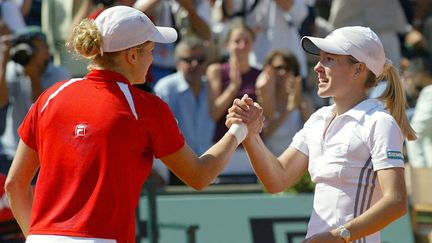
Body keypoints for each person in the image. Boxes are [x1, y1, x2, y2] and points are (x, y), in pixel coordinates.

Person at [4, 6, 262, 243]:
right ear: (131, 56)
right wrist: (239, 129)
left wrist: (36, 237)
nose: (152, 61)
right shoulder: (146, 108)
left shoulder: (51, 97)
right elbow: (200, 176)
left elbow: (15, 185)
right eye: (149, 51)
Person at [226, 26, 416, 242]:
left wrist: (338, 236)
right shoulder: (318, 119)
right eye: (320, 59)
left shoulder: (380, 122)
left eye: (329, 59)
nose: (317, 67)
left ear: (358, 70)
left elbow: (397, 202)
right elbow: (276, 180)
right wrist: (251, 135)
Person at [0, 26, 71, 175]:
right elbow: (1, 101)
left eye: (33, 46)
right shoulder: (12, 69)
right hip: (10, 151)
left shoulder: (60, 76)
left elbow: (43, 111)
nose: (28, 51)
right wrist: (4, 61)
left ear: (46, 50)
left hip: (42, 154)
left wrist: (33, 76)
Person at [206, 19, 261, 181]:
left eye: (247, 41)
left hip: (252, 149)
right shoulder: (215, 70)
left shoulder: (261, 75)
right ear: (227, 44)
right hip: (225, 147)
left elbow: (267, 115)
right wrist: (233, 87)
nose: (242, 45)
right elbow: (214, 113)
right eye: (237, 41)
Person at [255, 50, 314, 156]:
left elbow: (314, 135)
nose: (283, 72)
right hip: (269, 161)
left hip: (296, 163)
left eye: (288, 68)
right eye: (278, 68)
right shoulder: (261, 99)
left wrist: (298, 100)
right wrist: (289, 110)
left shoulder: (303, 100)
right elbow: (265, 135)